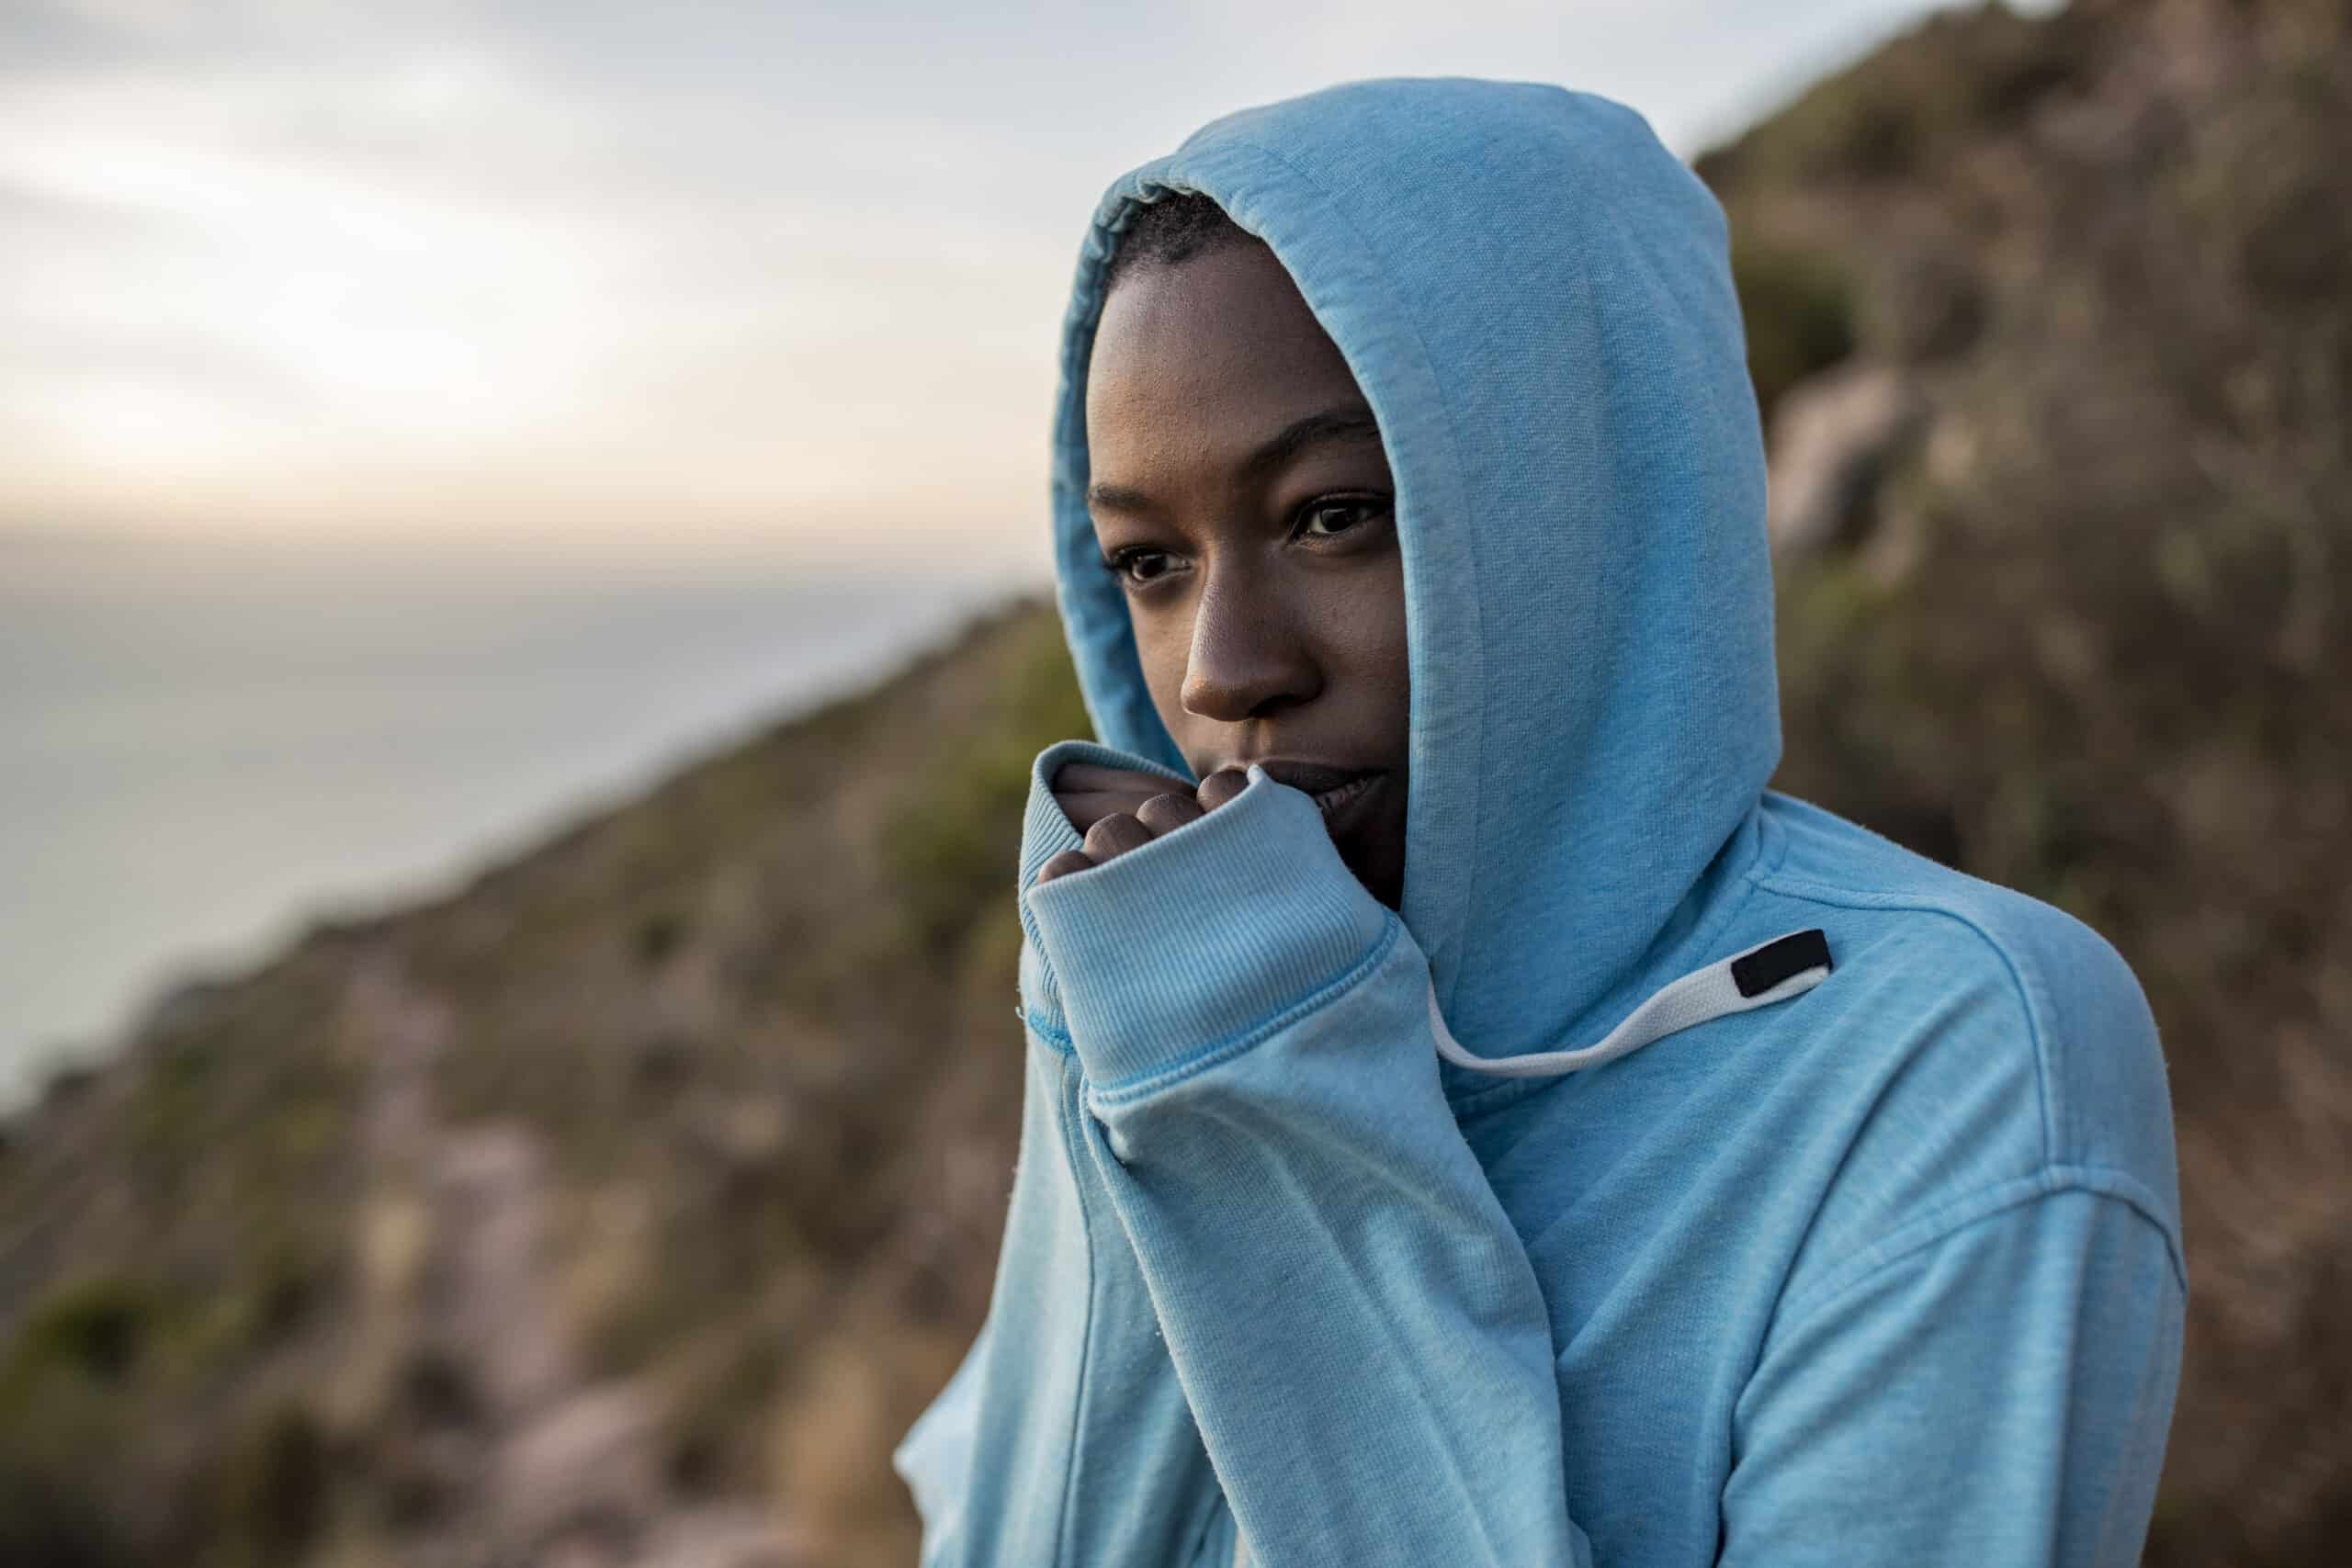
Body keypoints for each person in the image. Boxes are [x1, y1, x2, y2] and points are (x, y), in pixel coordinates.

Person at [893, 77, 2184, 1567]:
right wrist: (1125, 1057)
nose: (1222, 672)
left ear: (1577, 486)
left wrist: (1269, 1126)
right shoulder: (1177, 974)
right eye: (1150, 561)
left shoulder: (1952, 1061)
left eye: (1334, 513)